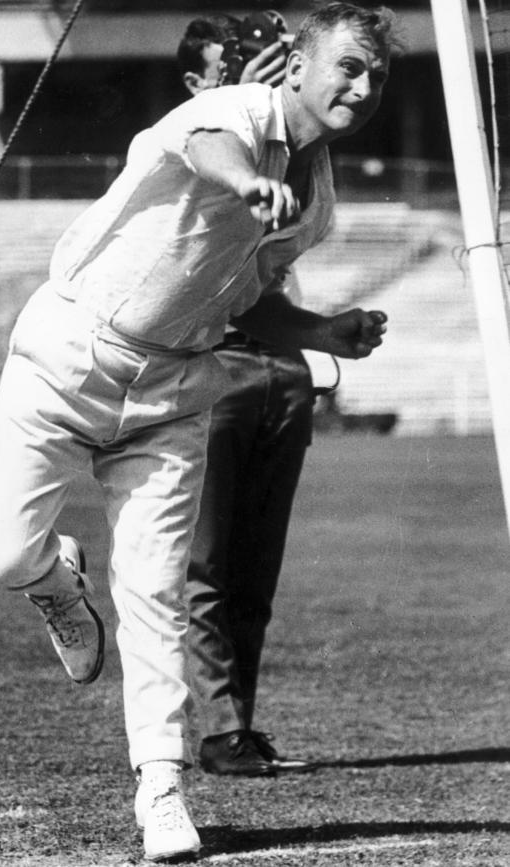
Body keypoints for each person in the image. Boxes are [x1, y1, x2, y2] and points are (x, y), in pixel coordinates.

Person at [0, 3, 394, 861]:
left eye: (378, 75)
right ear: (301, 66)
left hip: (174, 390)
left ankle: (160, 787)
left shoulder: (317, 203)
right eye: (349, 66)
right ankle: (55, 579)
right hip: (68, 352)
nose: (364, 85)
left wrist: (324, 330)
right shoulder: (230, 111)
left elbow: (249, 303)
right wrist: (242, 183)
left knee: (156, 595)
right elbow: (208, 153)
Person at [178, 14, 322, 777]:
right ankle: (218, 725)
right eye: (232, 66)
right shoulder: (194, 146)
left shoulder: (286, 147)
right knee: (206, 564)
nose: (250, 77)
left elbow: (265, 280)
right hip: (215, 366)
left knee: (254, 570)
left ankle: (238, 724)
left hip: (277, 365)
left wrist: (323, 330)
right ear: (197, 85)